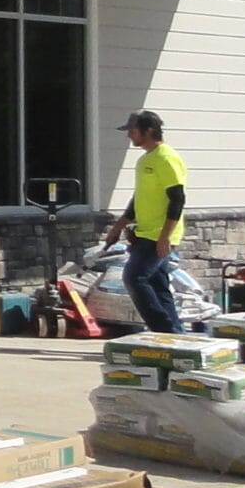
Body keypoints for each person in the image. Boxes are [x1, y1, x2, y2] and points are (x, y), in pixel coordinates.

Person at [99, 109, 188, 334]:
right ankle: (177, 335)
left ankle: (164, 332)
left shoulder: (166, 158)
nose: (129, 135)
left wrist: (165, 237)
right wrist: (118, 227)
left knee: (134, 277)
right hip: (145, 233)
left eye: (132, 130)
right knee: (158, 287)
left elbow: (177, 199)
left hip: (158, 236)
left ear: (148, 131)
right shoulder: (145, 160)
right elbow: (138, 199)